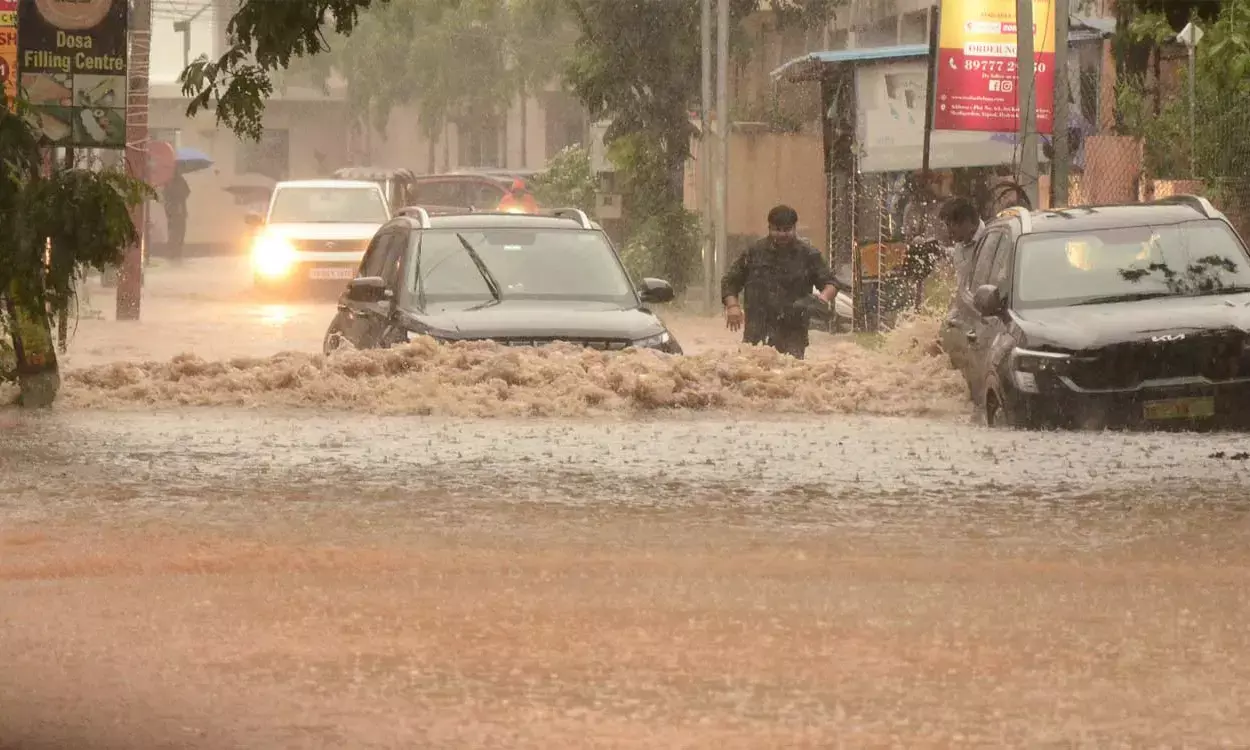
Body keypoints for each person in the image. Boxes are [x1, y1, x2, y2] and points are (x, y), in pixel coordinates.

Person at [721, 205, 840, 360]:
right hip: (757, 331)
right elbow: (730, 281)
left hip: (793, 333)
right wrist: (733, 307)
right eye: (777, 229)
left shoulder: (809, 255)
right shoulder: (754, 252)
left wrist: (822, 299)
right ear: (769, 228)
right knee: (751, 377)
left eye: (787, 229)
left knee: (790, 377)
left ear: (794, 228)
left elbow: (831, 283)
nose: (783, 234)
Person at [938, 196, 986, 285]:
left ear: (966, 221)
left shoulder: (990, 242)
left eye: (950, 225)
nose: (949, 231)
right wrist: (941, 250)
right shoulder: (961, 242)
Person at [163, 171, 190, 263]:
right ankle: (172, 252)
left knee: (180, 232)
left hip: (179, 211)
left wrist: (180, 195)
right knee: (173, 232)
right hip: (173, 211)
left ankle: (177, 252)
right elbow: (166, 195)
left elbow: (187, 192)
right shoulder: (168, 182)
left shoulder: (181, 180)